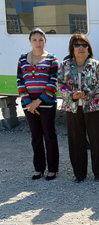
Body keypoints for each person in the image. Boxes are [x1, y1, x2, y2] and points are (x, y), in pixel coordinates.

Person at [58, 34, 99, 182]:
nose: (81, 48)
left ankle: (98, 173)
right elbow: (59, 84)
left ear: (88, 48)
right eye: (77, 45)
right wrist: (72, 95)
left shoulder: (96, 65)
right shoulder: (65, 65)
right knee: (76, 141)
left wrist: (86, 93)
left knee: (96, 140)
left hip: (93, 107)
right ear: (72, 49)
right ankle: (79, 174)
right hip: (72, 108)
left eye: (84, 45)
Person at [17, 28, 59, 180]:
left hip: (46, 102)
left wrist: (38, 101)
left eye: (41, 39)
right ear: (29, 41)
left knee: (49, 135)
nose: (38, 43)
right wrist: (29, 102)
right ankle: (38, 168)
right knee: (35, 136)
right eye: (34, 40)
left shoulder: (52, 59)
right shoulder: (22, 59)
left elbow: (53, 82)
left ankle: (52, 169)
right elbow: (20, 82)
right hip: (29, 104)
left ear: (45, 40)